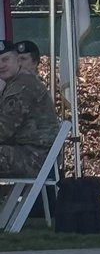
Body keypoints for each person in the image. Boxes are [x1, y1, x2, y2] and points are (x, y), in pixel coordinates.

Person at [0, 39, 58, 176]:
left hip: (33, 157)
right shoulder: (17, 83)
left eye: (5, 59)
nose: (1, 65)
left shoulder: (22, 87)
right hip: (29, 152)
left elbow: (3, 130)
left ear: (17, 61)